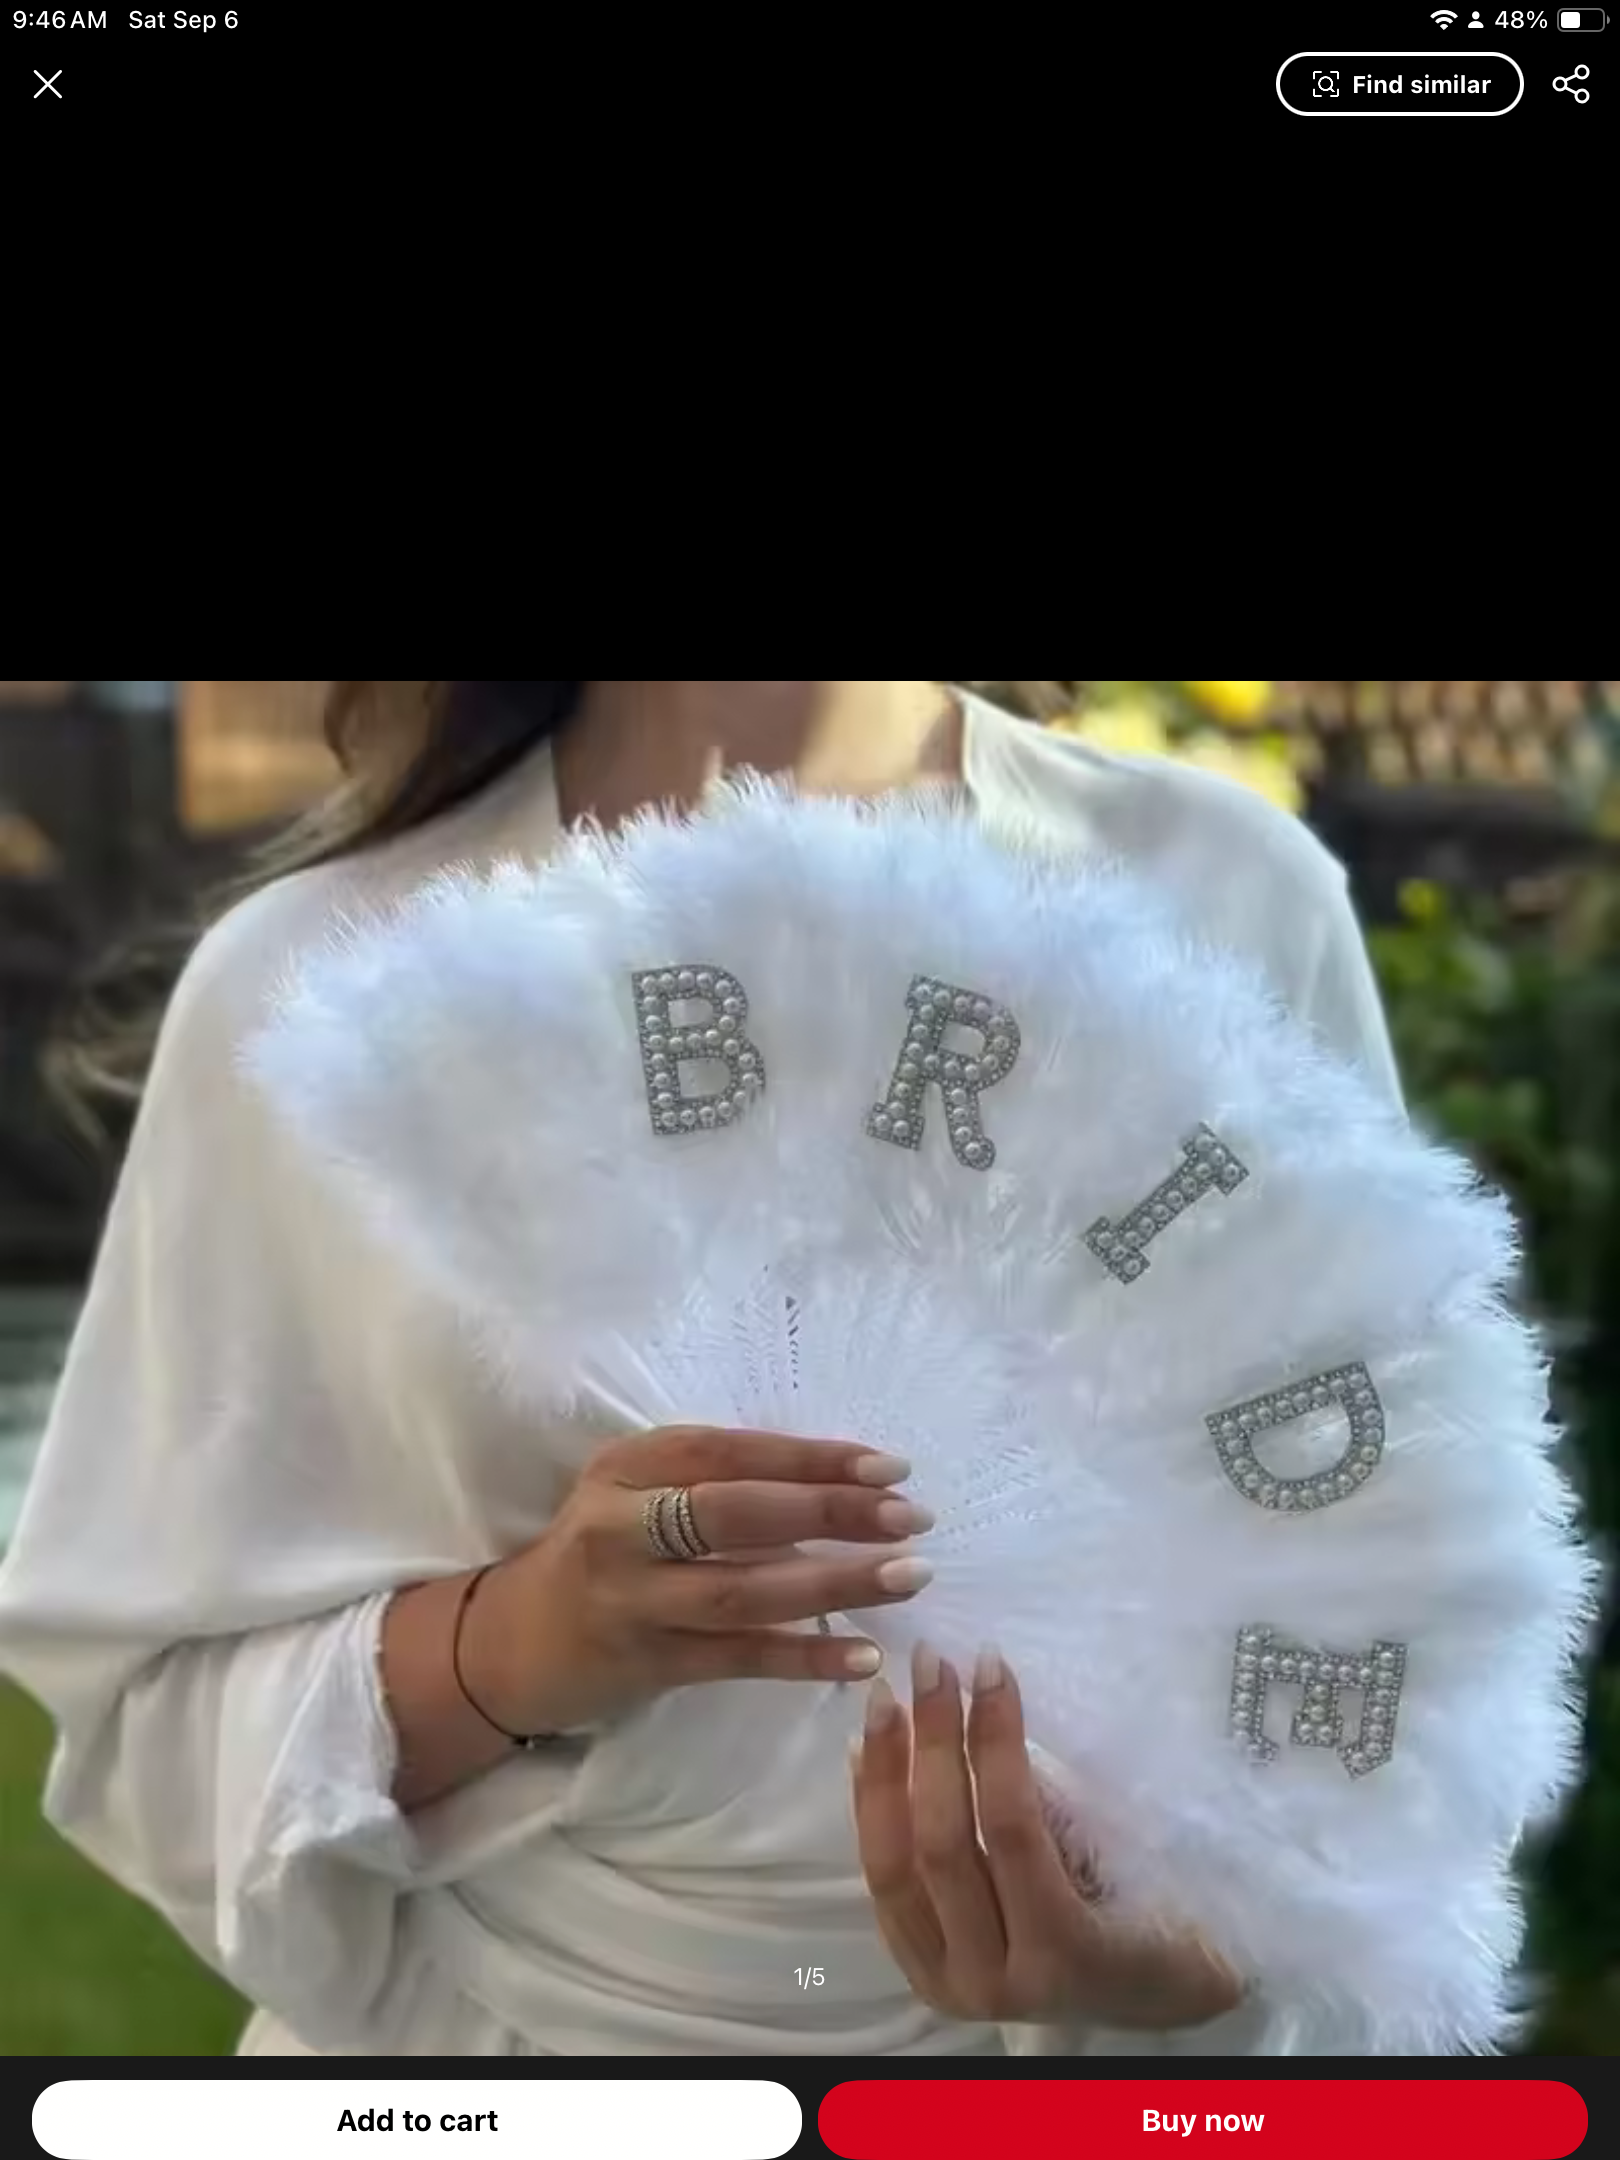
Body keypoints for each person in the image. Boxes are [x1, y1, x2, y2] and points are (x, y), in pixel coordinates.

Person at [0, 682, 1404, 2058]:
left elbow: (1403, 1616)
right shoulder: (316, 980)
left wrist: (1185, 1961)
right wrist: (525, 1638)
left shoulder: (1223, 894)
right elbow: (153, 1719)